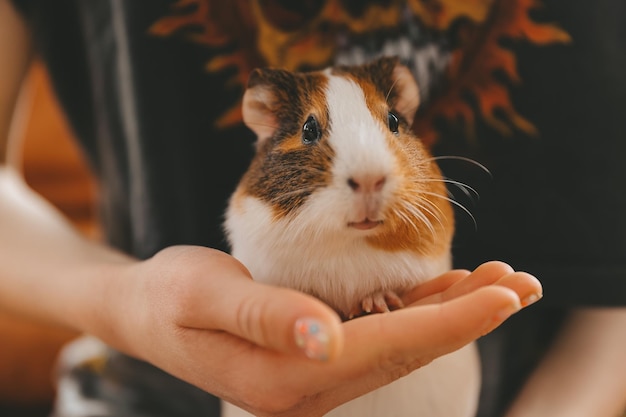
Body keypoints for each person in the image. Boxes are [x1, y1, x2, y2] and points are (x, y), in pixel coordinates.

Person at [0, 2, 621, 417]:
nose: (372, 175)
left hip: (538, 389)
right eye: (315, 133)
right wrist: (125, 301)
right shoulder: (256, 208)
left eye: (392, 123)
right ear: (268, 122)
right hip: (154, 391)